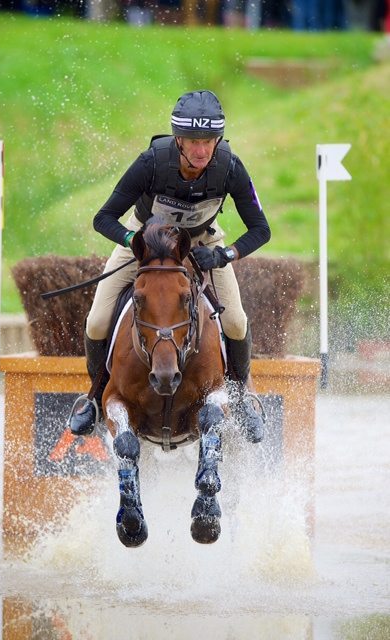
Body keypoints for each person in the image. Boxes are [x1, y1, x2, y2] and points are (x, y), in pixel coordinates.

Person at [69, 90, 271, 442]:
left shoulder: (231, 168)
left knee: (236, 321)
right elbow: (103, 218)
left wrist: (224, 256)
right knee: (98, 319)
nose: (201, 151)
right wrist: (134, 243)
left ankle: (240, 397)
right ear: (178, 140)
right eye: (193, 141)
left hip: (203, 241)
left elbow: (261, 229)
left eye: (209, 141)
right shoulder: (151, 162)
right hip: (145, 241)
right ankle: (94, 399)